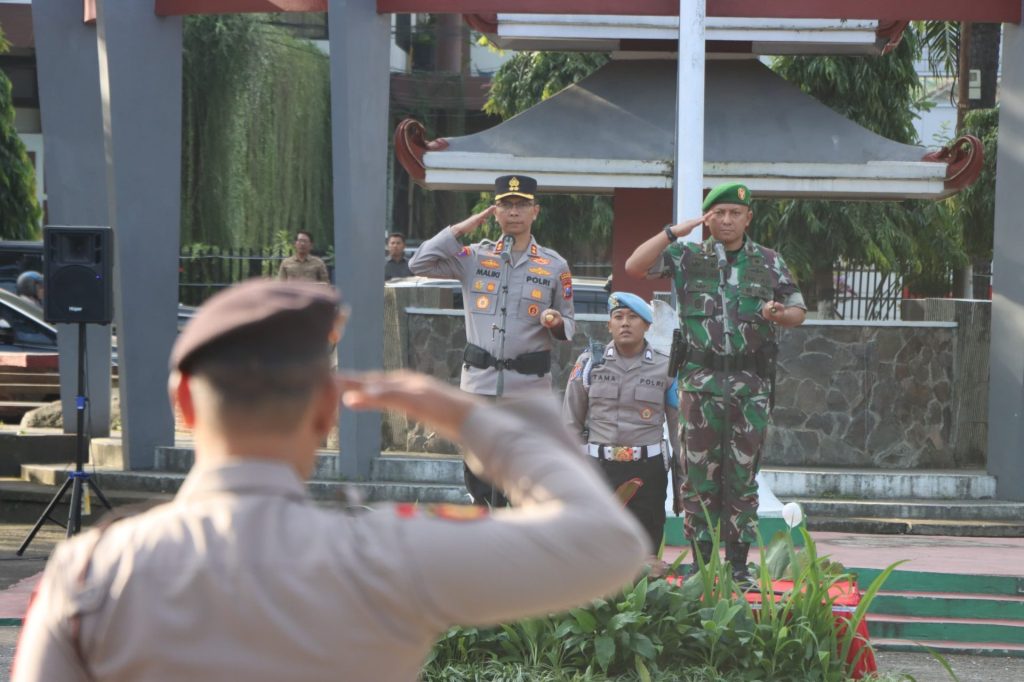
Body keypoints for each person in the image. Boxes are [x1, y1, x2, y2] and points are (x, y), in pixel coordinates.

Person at [12, 279, 647, 682]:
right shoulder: (385, 557)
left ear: (184, 402)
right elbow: (607, 544)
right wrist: (468, 418)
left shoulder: (91, 574)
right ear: (325, 412)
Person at [624, 182, 806, 582]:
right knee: (698, 476)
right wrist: (675, 231)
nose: (726, 220)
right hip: (699, 385)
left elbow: (798, 310)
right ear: (707, 218)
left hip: (750, 386)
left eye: (734, 213)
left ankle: (739, 566)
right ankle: (702, 564)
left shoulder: (768, 262)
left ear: (748, 218)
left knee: (742, 476)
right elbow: (634, 267)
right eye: (718, 213)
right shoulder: (687, 256)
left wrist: (778, 314)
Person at [409, 175, 576, 506]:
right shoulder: (473, 257)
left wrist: (557, 323)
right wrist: (463, 227)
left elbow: (568, 322)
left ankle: (521, 542)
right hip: (480, 385)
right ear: (495, 212)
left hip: (527, 388)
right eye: (505, 205)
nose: (514, 212)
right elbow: (419, 262)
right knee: (480, 471)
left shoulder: (554, 265)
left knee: (524, 470)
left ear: (535, 212)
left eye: (521, 205)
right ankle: (486, 539)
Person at [563, 291, 681, 562]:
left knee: (646, 550)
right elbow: (570, 422)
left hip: (648, 470)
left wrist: (683, 477)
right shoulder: (589, 364)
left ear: (648, 325)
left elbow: (677, 432)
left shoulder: (667, 368)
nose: (625, 323)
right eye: (618, 317)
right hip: (600, 469)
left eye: (633, 318)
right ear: (609, 325)